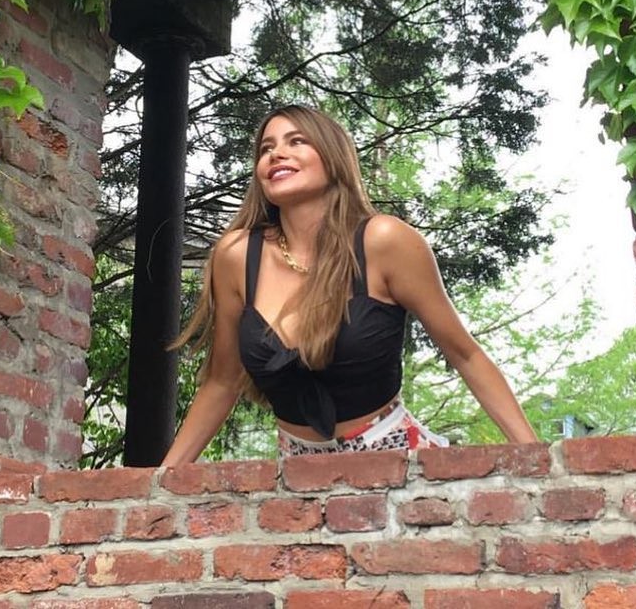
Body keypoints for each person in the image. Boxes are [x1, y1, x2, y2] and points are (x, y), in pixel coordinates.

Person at [162, 104, 537, 463]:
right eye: (266, 148)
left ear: (333, 156)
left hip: (399, 466)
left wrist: (540, 460)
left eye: (296, 141)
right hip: (297, 477)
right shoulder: (238, 255)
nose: (276, 154)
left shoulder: (384, 241)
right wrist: (161, 483)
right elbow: (222, 382)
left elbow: (465, 354)